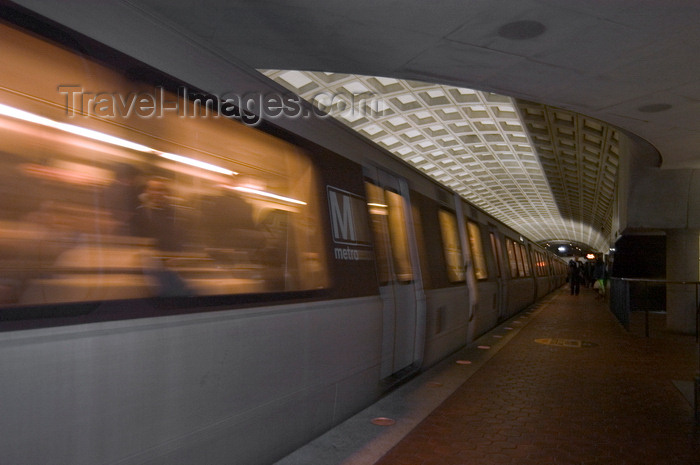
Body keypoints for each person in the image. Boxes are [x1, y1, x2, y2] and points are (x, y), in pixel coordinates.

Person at [133, 177, 182, 251]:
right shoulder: (139, 212)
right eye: (152, 189)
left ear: (166, 192)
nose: (156, 193)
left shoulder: (174, 213)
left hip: (168, 255)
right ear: (147, 191)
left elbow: (178, 237)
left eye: (160, 190)